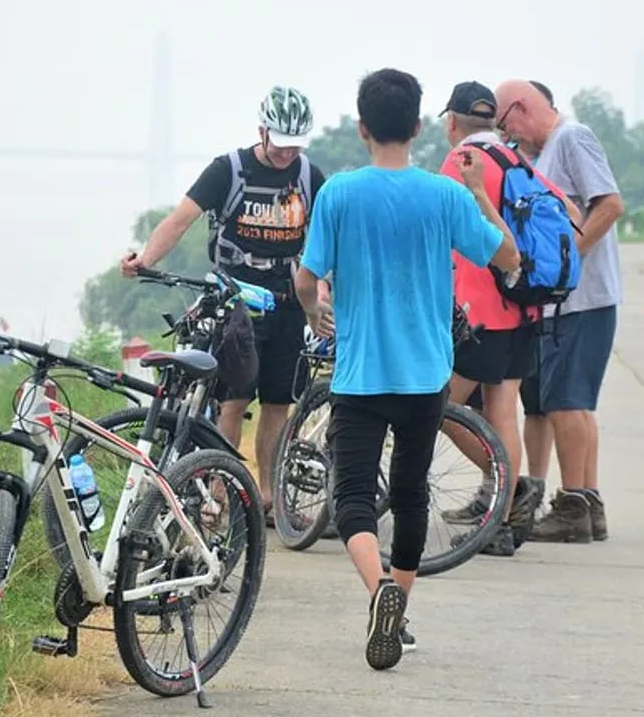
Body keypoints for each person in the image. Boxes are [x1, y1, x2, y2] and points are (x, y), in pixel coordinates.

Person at [294, 68, 519, 671]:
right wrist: (477, 192)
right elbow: (507, 256)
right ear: (418, 127)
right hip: (426, 375)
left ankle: (380, 593)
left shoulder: (338, 193)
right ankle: (402, 603)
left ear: (363, 128)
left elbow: (307, 276)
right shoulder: (443, 194)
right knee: (413, 492)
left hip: (360, 374)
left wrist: (314, 310)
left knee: (352, 497)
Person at [121, 86, 331, 522]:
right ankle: (220, 494)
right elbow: (180, 220)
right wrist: (144, 260)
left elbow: (327, 240)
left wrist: (322, 292)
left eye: (295, 146)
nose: (287, 154)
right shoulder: (228, 170)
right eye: (280, 144)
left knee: (278, 403)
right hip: (234, 303)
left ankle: (268, 498)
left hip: (287, 301)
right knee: (233, 401)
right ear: (261, 131)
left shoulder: (310, 177)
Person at [435, 80, 583, 556]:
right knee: (503, 410)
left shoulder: (461, 164)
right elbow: (572, 212)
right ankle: (501, 518)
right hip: (525, 307)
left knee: (435, 407)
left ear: (452, 122)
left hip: (478, 312)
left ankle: (509, 491)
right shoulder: (517, 159)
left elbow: (440, 237)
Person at [493, 79, 626, 544]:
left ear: (521, 109)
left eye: (506, 124)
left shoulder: (573, 137)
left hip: (582, 298)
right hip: (573, 301)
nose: (509, 136)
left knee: (568, 403)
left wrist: (572, 258)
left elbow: (609, 205)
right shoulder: (543, 152)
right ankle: (586, 502)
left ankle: (573, 506)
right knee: (573, 403)